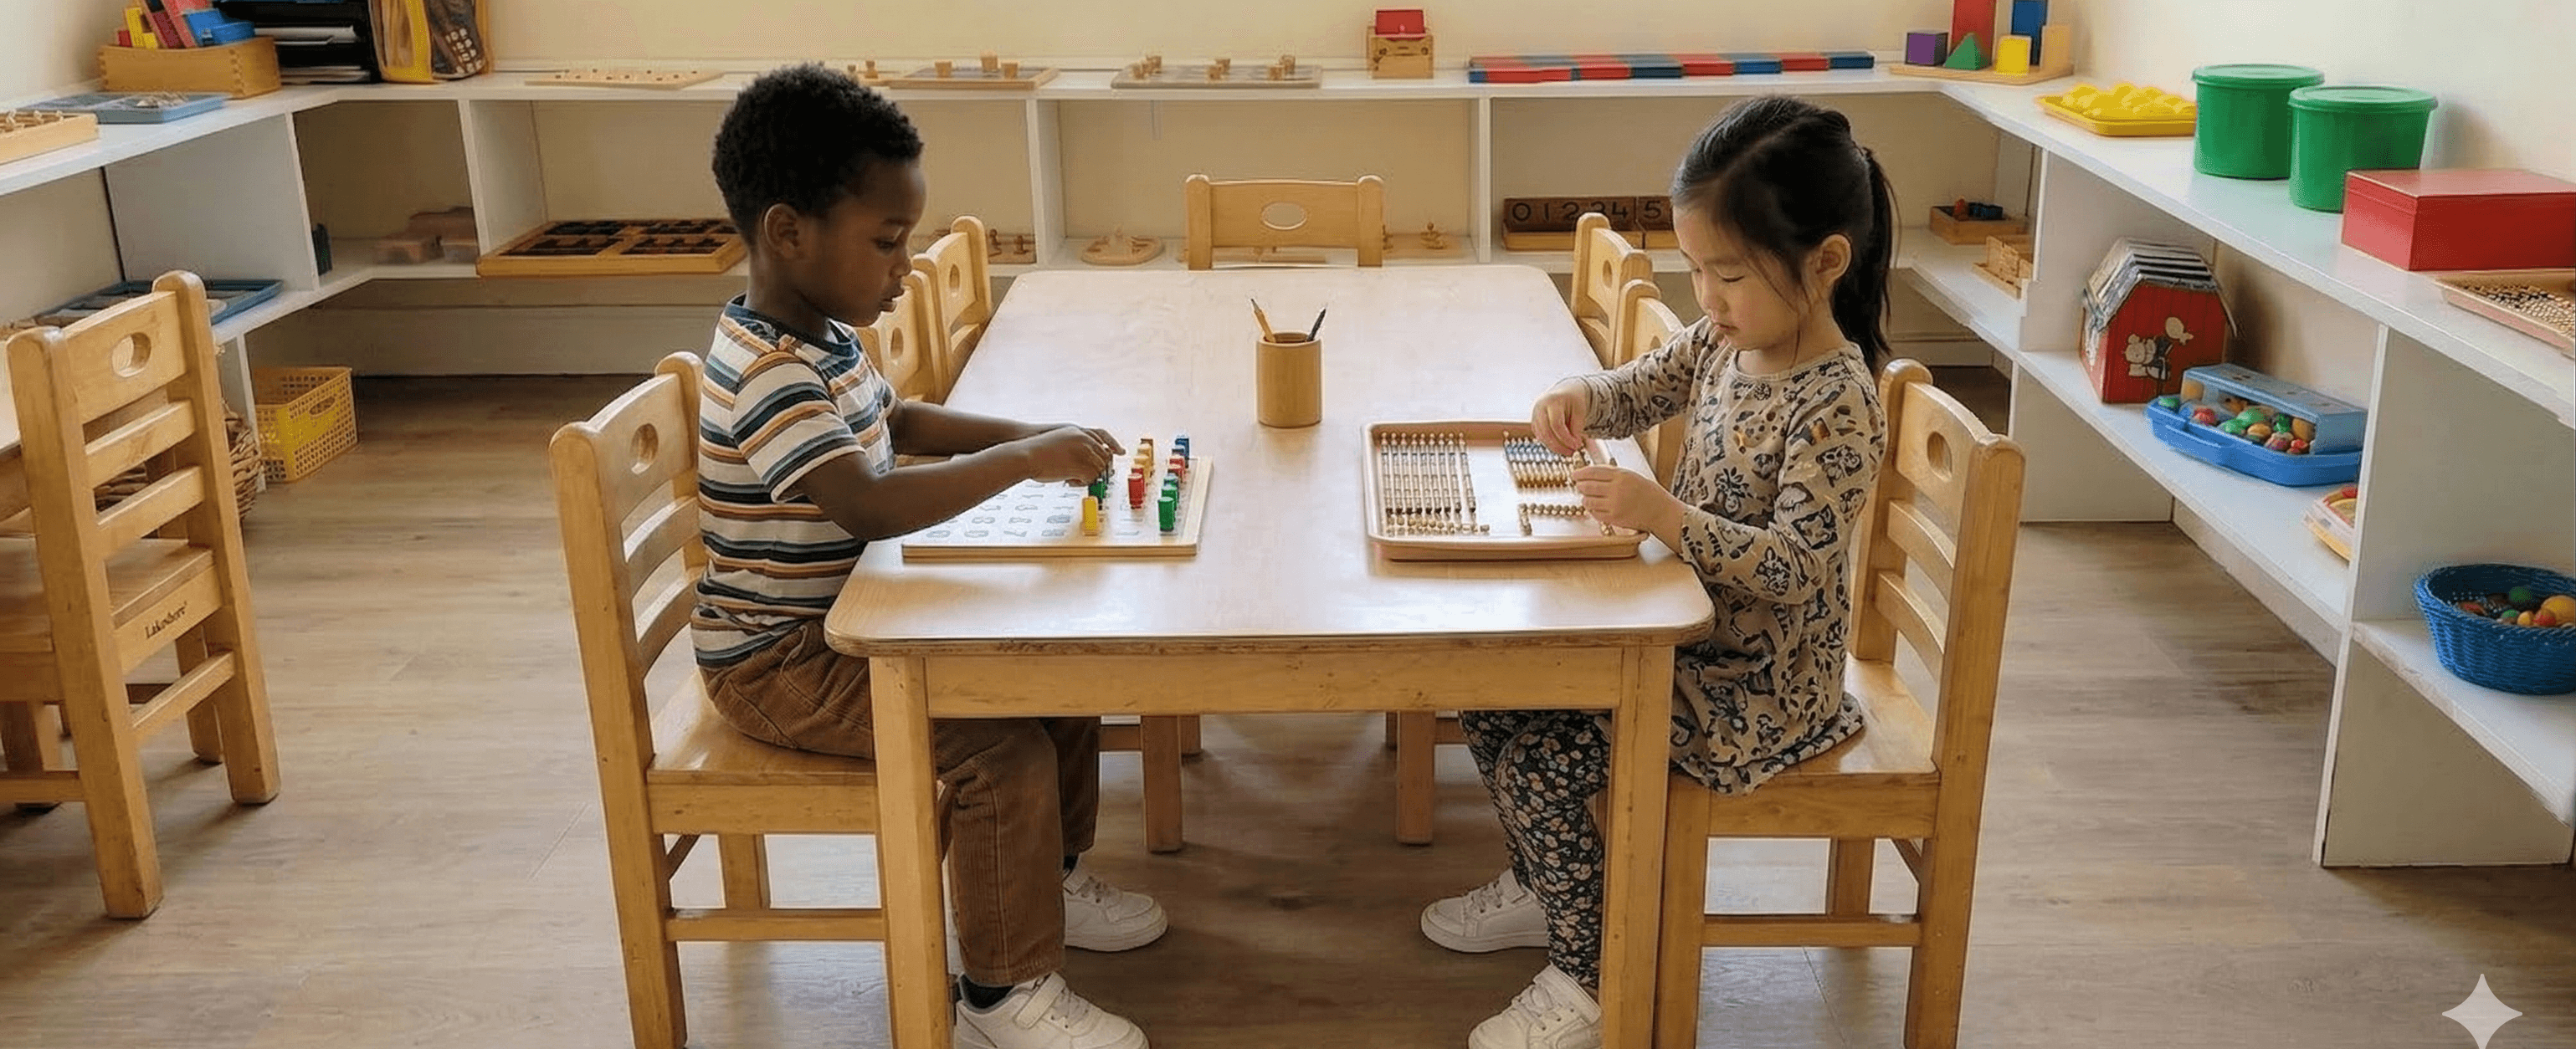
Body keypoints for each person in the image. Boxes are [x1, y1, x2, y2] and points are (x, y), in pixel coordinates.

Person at [693, 63, 1161, 1049]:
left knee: (1049, 668)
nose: (903, 267)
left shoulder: (821, 334)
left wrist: (1035, 432)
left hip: (843, 624)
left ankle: (1051, 885)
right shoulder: (767, 371)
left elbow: (897, 419)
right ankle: (1002, 994)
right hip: (780, 661)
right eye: (888, 240)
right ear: (789, 231)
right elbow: (864, 502)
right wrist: (1019, 460)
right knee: (997, 749)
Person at [1421, 95, 1896, 1049]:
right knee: (1493, 694)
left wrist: (1669, 520)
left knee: (1549, 762)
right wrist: (1577, 395)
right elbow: (1641, 385)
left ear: (1826, 262)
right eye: (1696, 271)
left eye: (1729, 275)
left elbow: (1803, 569)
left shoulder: (1837, 401)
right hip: (1688, 640)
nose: (1708, 300)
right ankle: (1542, 884)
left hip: (1757, 687)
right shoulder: (1727, 339)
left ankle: (1592, 974)